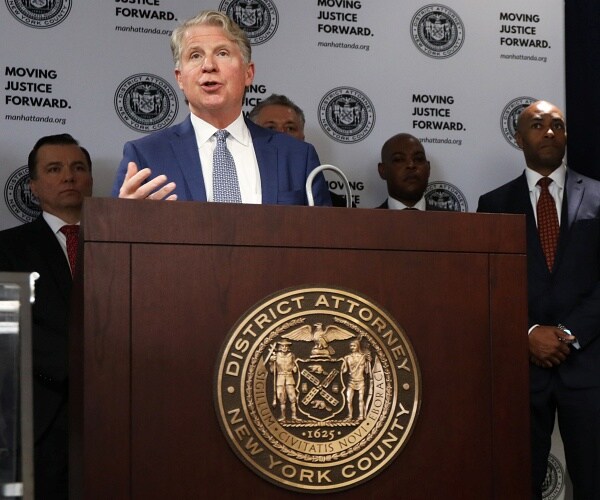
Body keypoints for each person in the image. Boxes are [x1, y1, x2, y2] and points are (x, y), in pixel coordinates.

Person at [477, 100, 600, 500]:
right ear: (518, 138)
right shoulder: (493, 205)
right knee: (516, 482)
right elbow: (489, 287)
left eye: (557, 125)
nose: (549, 131)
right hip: (521, 369)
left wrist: (568, 333)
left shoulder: (598, 196)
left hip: (587, 368)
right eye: (537, 124)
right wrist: (527, 333)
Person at [112, 11, 330, 206]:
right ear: (179, 78)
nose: (209, 66)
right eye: (195, 55)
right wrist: (122, 220)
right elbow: (113, 245)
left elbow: (324, 243)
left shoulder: (297, 157)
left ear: (248, 73)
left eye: (222, 53)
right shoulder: (145, 156)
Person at [0, 133, 93, 499]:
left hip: (114, 414)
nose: (68, 177)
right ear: (34, 186)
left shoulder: (123, 242)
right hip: (38, 419)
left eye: (78, 168)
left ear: (90, 179)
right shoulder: (6, 249)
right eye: (54, 169)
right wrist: (82, 364)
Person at [249, 93, 353, 207]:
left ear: (302, 137)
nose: (281, 135)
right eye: (270, 128)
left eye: (290, 128)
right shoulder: (242, 175)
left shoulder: (338, 205)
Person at [376, 133, 433, 210]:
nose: (411, 165)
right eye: (399, 160)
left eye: (419, 159)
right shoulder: (364, 221)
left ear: (428, 168)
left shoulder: (453, 221)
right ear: (382, 170)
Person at [341, 339, 370, 421]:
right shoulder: (347, 358)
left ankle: (361, 416)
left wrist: (368, 362)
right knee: (348, 400)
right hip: (351, 381)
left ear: (358, 346)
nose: (352, 347)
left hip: (360, 380)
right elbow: (345, 371)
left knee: (361, 399)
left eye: (354, 345)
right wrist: (342, 364)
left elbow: (367, 371)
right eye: (351, 346)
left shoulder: (363, 357)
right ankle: (350, 416)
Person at [269, 340, 298, 421]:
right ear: (280, 347)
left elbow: (294, 368)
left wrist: (295, 368)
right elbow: (272, 370)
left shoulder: (291, 355)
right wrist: (271, 362)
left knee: (292, 397)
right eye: (282, 346)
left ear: (288, 347)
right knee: (281, 398)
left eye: (286, 346)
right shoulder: (276, 356)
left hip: (289, 378)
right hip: (280, 378)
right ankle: (283, 416)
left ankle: (294, 416)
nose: (284, 348)